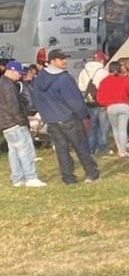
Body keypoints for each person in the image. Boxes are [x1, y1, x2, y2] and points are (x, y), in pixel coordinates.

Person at [31, 48, 99, 185]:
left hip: (51, 120)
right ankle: (91, 173)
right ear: (53, 61)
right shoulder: (64, 78)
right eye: (62, 59)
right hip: (69, 118)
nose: (65, 61)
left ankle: (68, 178)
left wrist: (46, 115)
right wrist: (83, 115)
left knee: (61, 150)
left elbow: (36, 99)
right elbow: (75, 100)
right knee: (81, 147)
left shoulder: (39, 79)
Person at [0, 60, 46, 188]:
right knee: (24, 150)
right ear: (12, 71)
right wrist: (22, 121)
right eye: (19, 73)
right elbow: (13, 105)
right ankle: (31, 177)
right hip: (15, 123)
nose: (20, 76)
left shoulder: (3, 83)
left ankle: (17, 178)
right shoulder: (8, 86)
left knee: (14, 152)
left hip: (6, 124)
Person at [96, 61, 129, 157]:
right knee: (123, 129)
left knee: (115, 129)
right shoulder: (124, 80)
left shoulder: (104, 81)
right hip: (125, 105)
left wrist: (105, 103)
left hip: (111, 106)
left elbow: (99, 97)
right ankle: (124, 150)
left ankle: (120, 150)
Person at [77, 50, 111, 156]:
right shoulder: (103, 72)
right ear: (101, 60)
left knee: (92, 126)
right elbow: (107, 87)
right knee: (103, 126)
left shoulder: (83, 72)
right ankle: (103, 147)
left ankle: (91, 147)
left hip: (89, 101)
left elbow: (81, 87)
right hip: (102, 102)